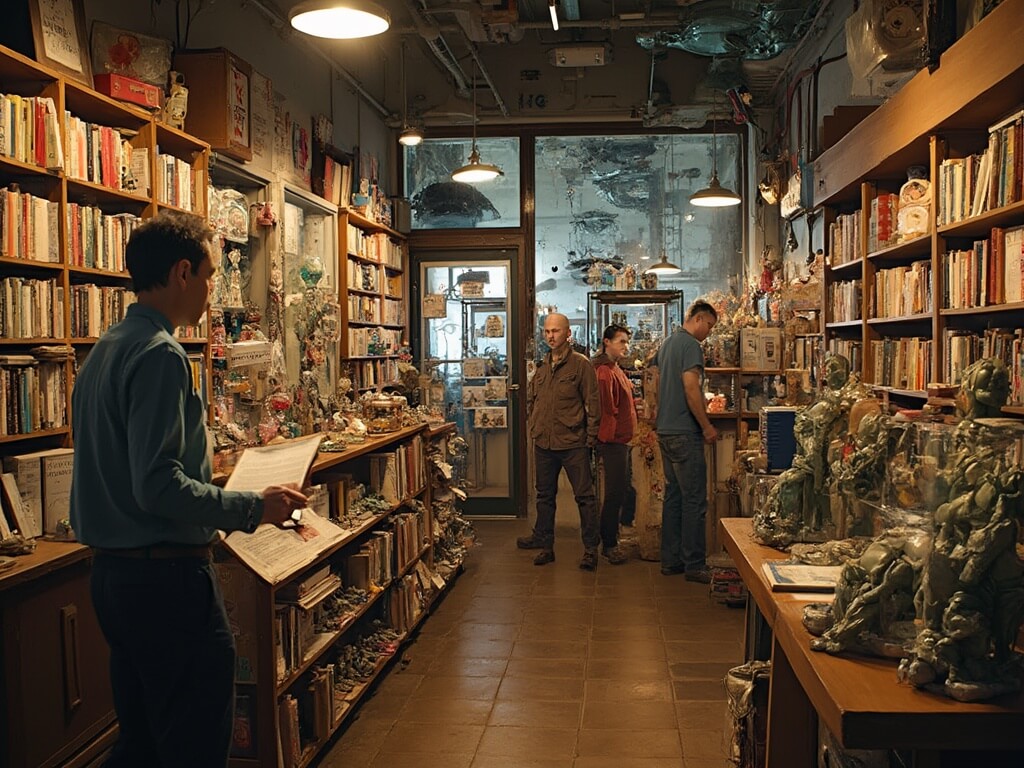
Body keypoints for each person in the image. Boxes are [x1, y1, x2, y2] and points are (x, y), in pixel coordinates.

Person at [70, 211, 308, 768]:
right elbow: (157, 485)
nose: (211, 288)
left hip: (114, 576)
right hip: (166, 580)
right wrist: (254, 506)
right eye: (208, 274)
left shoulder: (104, 350)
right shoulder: (160, 356)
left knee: (143, 742)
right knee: (194, 742)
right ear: (182, 273)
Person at [517, 312, 602, 569]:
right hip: (544, 442)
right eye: (547, 331)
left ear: (568, 334)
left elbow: (593, 403)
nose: (550, 336)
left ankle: (590, 550)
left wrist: (590, 438)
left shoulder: (581, 365)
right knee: (544, 497)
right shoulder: (542, 367)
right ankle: (546, 546)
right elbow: (533, 400)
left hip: (573, 442)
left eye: (555, 331)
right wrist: (534, 427)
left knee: (585, 497)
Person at [655, 299, 718, 582]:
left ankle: (670, 560)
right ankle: (694, 563)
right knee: (694, 500)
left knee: (674, 497)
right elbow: (691, 388)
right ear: (700, 319)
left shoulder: (668, 343)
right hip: (684, 430)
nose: (710, 333)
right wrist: (705, 425)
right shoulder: (691, 346)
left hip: (666, 429)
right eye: (710, 326)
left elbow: (656, 383)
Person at [591, 323, 638, 564]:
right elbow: (607, 409)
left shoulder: (615, 368)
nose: (625, 346)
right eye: (621, 341)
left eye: (627, 342)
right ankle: (608, 543)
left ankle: (615, 535)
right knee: (615, 492)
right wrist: (608, 436)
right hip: (612, 441)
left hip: (622, 439)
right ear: (606, 342)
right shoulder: (603, 372)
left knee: (623, 490)